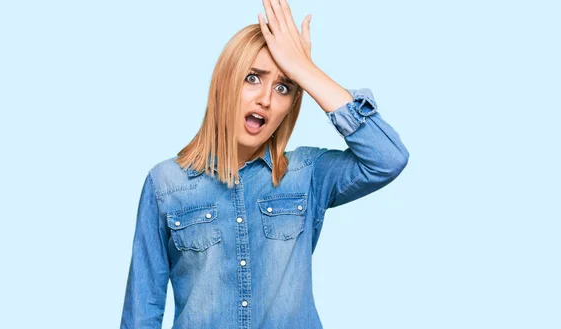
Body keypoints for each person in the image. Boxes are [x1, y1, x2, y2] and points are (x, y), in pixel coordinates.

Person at [120, 0, 409, 328]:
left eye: (284, 87)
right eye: (253, 78)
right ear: (226, 82)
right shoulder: (166, 184)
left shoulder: (307, 174)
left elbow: (388, 158)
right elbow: (141, 312)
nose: (266, 99)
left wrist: (305, 71)